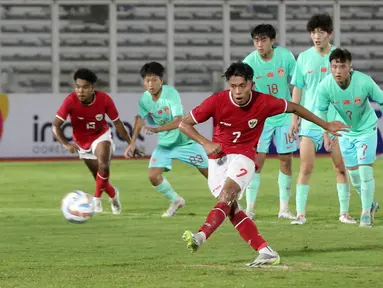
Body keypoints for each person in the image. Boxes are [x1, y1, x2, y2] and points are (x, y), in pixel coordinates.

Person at [179, 62, 348, 266]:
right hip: (219, 159)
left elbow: (294, 107)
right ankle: (266, 251)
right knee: (230, 208)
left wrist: (326, 124)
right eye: (233, 86)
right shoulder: (216, 101)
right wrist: (205, 142)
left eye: (242, 85)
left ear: (251, 84)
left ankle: (201, 236)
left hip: (245, 157)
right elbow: (184, 123)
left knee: (227, 196)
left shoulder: (264, 102)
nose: (238, 91)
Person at [289, 13, 354, 225]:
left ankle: (344, 213)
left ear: (330, 34)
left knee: (340, 167)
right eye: (313, 32)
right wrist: (294, 119)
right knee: (305, 168)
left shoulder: (338, 58)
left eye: (321, 32)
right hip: (310, 121)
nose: (316, 36)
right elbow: (298, 88)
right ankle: (300, 214)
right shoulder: (304, 58)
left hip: (335, 121)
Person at [124, 62, 208, 217]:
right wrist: (132, 143)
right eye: (147, 80)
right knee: (153, 175)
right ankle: (176, 200)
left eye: (154, 80)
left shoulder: (171, 94)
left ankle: (233, 204)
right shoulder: (145, 99)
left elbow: (178, 122)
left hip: (185, 142)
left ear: (161, 81)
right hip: (166, 145)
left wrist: (156, 129)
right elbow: (139, 120)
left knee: (211, 175)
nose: (151, 84)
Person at [53, 68, 139, 214]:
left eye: (85, 87)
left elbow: (118, 123)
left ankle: (96, 201)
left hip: (101, 135)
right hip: (82, 142)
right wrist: (66, 144)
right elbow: (56, 126)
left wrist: (130, 143)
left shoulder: (104, 99)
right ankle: (113, 195)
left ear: (93, 88)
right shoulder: (70, 101)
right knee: (98, 177)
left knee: (103, 166)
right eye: (78, 87)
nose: (80, 91)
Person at [316, 48, 381, 227]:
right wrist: (326, 135)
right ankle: (371, 204)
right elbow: (321, 111)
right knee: (353, 176)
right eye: (334, 66)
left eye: (342, 66)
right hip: (345, 132)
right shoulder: (325, 86)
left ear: (350, 67)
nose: (337, 71)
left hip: (367, 129)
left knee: (365, 171)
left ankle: (365, 213)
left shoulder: (364, 82)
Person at [243, 24, 296, 220]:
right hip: (261, 118)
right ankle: (249, 208)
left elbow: (298, 83)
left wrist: (295, 114)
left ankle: (284, 209)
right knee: (257, 161)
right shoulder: (249, 63)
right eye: (256, 40)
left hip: (283, 115)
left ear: (272, 41)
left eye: (263, 40)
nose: (259, 44)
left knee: (285, 160)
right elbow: (242, 90)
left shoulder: (285, 57)